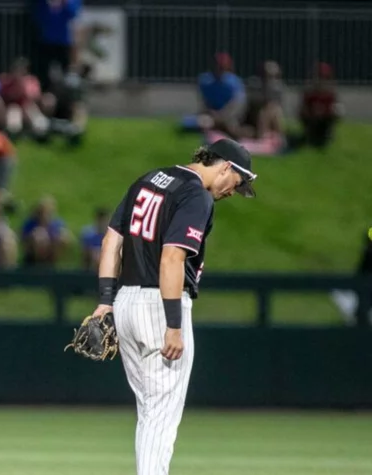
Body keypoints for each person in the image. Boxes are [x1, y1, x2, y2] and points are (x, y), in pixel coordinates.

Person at [89, 138, 257, 475]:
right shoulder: (196, 194)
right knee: (161, 414)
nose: (231, 193)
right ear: (225, 167)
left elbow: (111, 242)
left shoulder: (149, 179)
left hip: (126, 303)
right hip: (160, 305)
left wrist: (105, 302)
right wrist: (174, 324)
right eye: (236, 184)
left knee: (149, 410)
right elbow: (172, 257)